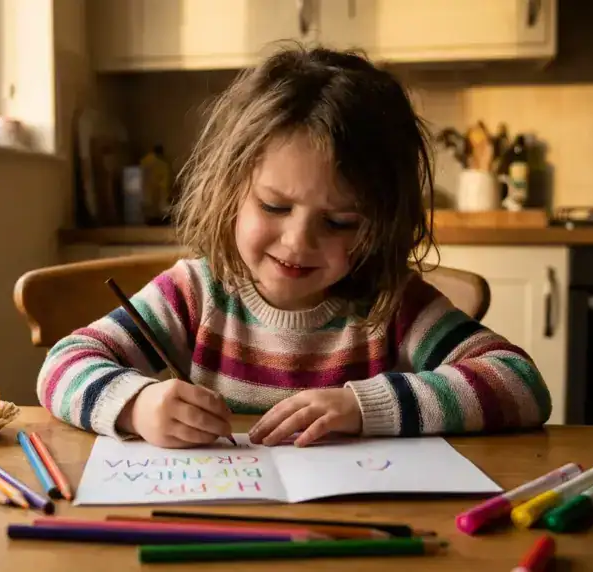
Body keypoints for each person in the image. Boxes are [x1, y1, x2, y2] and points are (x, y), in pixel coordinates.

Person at [37, 44, 552, 449]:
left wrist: (364, 406)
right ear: (230, 188)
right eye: (275, 207)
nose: (298, 242)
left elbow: (521, 383)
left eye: (340, 221)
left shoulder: (390, 306)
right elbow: (63, 364)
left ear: (381, 224)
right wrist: (138, 404)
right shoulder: (193, 294)